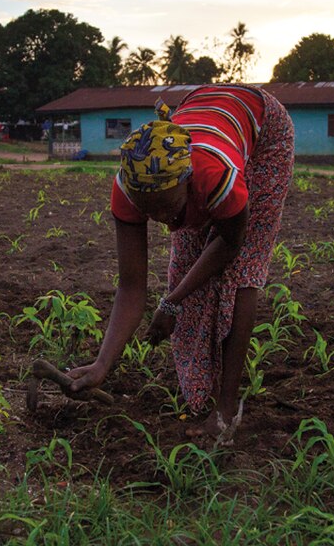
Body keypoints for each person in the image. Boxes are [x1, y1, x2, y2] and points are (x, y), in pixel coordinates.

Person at [67, 85, 295, 444]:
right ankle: (200, 390)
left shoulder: (215, 176)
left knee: (240, 273)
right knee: (184, 262)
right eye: (149, 210)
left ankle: (225, 411)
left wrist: (173, 300)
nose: (159, 219)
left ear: (188, 183)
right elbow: (131, 287)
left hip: (264, 128)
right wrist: (101, 364)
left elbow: (232, 243)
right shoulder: (130, 188)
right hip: (202, 112)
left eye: (166, 207)